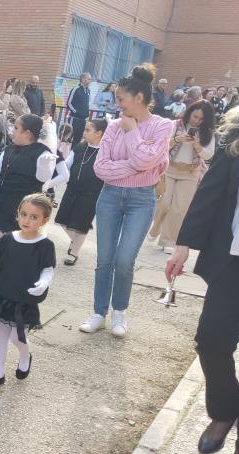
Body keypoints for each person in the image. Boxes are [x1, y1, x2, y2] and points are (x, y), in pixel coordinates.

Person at [165, 100, 239, 454]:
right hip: (237, 257)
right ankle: (225, 409)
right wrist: (184, 243)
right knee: (212, 337)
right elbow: (213, 190)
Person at [79, 63, 173, 337]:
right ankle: (99, 312)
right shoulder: (112, 126)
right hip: (109, 195)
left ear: (139, 97)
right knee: (104, 259)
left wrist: (132, 133)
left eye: (121, 98)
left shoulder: (162, 126)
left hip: (141, 200)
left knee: (124, 260)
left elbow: (146, 161)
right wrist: (139, 166)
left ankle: (119, 312)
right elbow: (101, 168)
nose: (117, 103)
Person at [0, 193, 56, 387]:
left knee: (17, 337)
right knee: (0, 334)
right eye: (23, 214)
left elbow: (48, 270)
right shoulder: (8, 239)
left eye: (33, 217)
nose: (26, 220)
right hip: (3, 295)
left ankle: (25, 356)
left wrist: (43, 283)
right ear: (17, 213)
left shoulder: (45, 245)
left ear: (44, 220)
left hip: (24, 299)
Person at [0, 114, 58, 248]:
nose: (11, 131)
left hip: (24, 207)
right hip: (1, 201)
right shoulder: (9, 149)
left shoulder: (42, 153)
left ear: (27, 133)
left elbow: (43, 178)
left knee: (17, 245)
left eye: (15, 128)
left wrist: (45, 165)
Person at [149, 100, 216, 253]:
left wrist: (197, 146)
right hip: (169, 169)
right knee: (163, 203)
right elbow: (160, 145)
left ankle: (168, 240)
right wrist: (177, 139)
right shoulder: (174, 125)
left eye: (201, 119)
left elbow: (208, 155)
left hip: (191, 172)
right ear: (189, 113)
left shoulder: (207, 133)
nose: (197, 121)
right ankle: (156, 228)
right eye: (195, 116)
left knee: (179, 209)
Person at [46, 118, 108, 265]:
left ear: (99, 133)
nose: (84, 132)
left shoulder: (105, 152)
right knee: (63, 220)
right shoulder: (79, 147)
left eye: (88, 130)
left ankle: (74, 252)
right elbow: (66, 165)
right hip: (72, 189)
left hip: (91, 194)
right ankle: (76, 242)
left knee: (81, 225)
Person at [67, 73, 92, 142]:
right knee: (68, 138)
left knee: (78, 140)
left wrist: (87, 113)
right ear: (83, 79)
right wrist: (76, 112)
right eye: (89, 79)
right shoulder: (76, 89)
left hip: (83, 120)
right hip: (74, 118)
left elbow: (86, 104)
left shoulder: (88, 90)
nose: (90, 81)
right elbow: (69, 103)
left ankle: (74, 149)